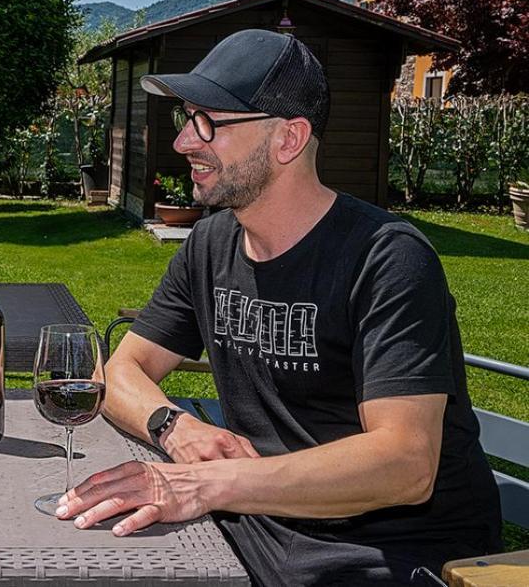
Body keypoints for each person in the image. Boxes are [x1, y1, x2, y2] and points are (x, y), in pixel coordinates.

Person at [60, 30, 501, 585]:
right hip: (256, 526)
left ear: (288, 139)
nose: (183, 143)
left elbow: (405, 464)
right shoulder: (211, 245)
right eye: (187, 118)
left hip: (382, 551)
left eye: (208, 123)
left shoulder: (387, 258)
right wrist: (174, 427)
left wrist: (205, 484)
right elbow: (120, 369)